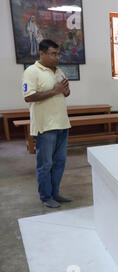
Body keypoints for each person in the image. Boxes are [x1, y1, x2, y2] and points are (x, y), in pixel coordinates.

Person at [22, 39, 72, 209]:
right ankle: (45, 196)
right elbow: (28, 97)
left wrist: (65, 90)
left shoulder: (59, 71)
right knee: (45, 164)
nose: (57, 57)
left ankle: (55, 193)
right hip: (45, 126)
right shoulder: (31, 71)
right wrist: (54, 91)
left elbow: (65, 93)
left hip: (62, 124)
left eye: (58, 54)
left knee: (59, 162)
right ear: (41, 53)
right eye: (53, 54)